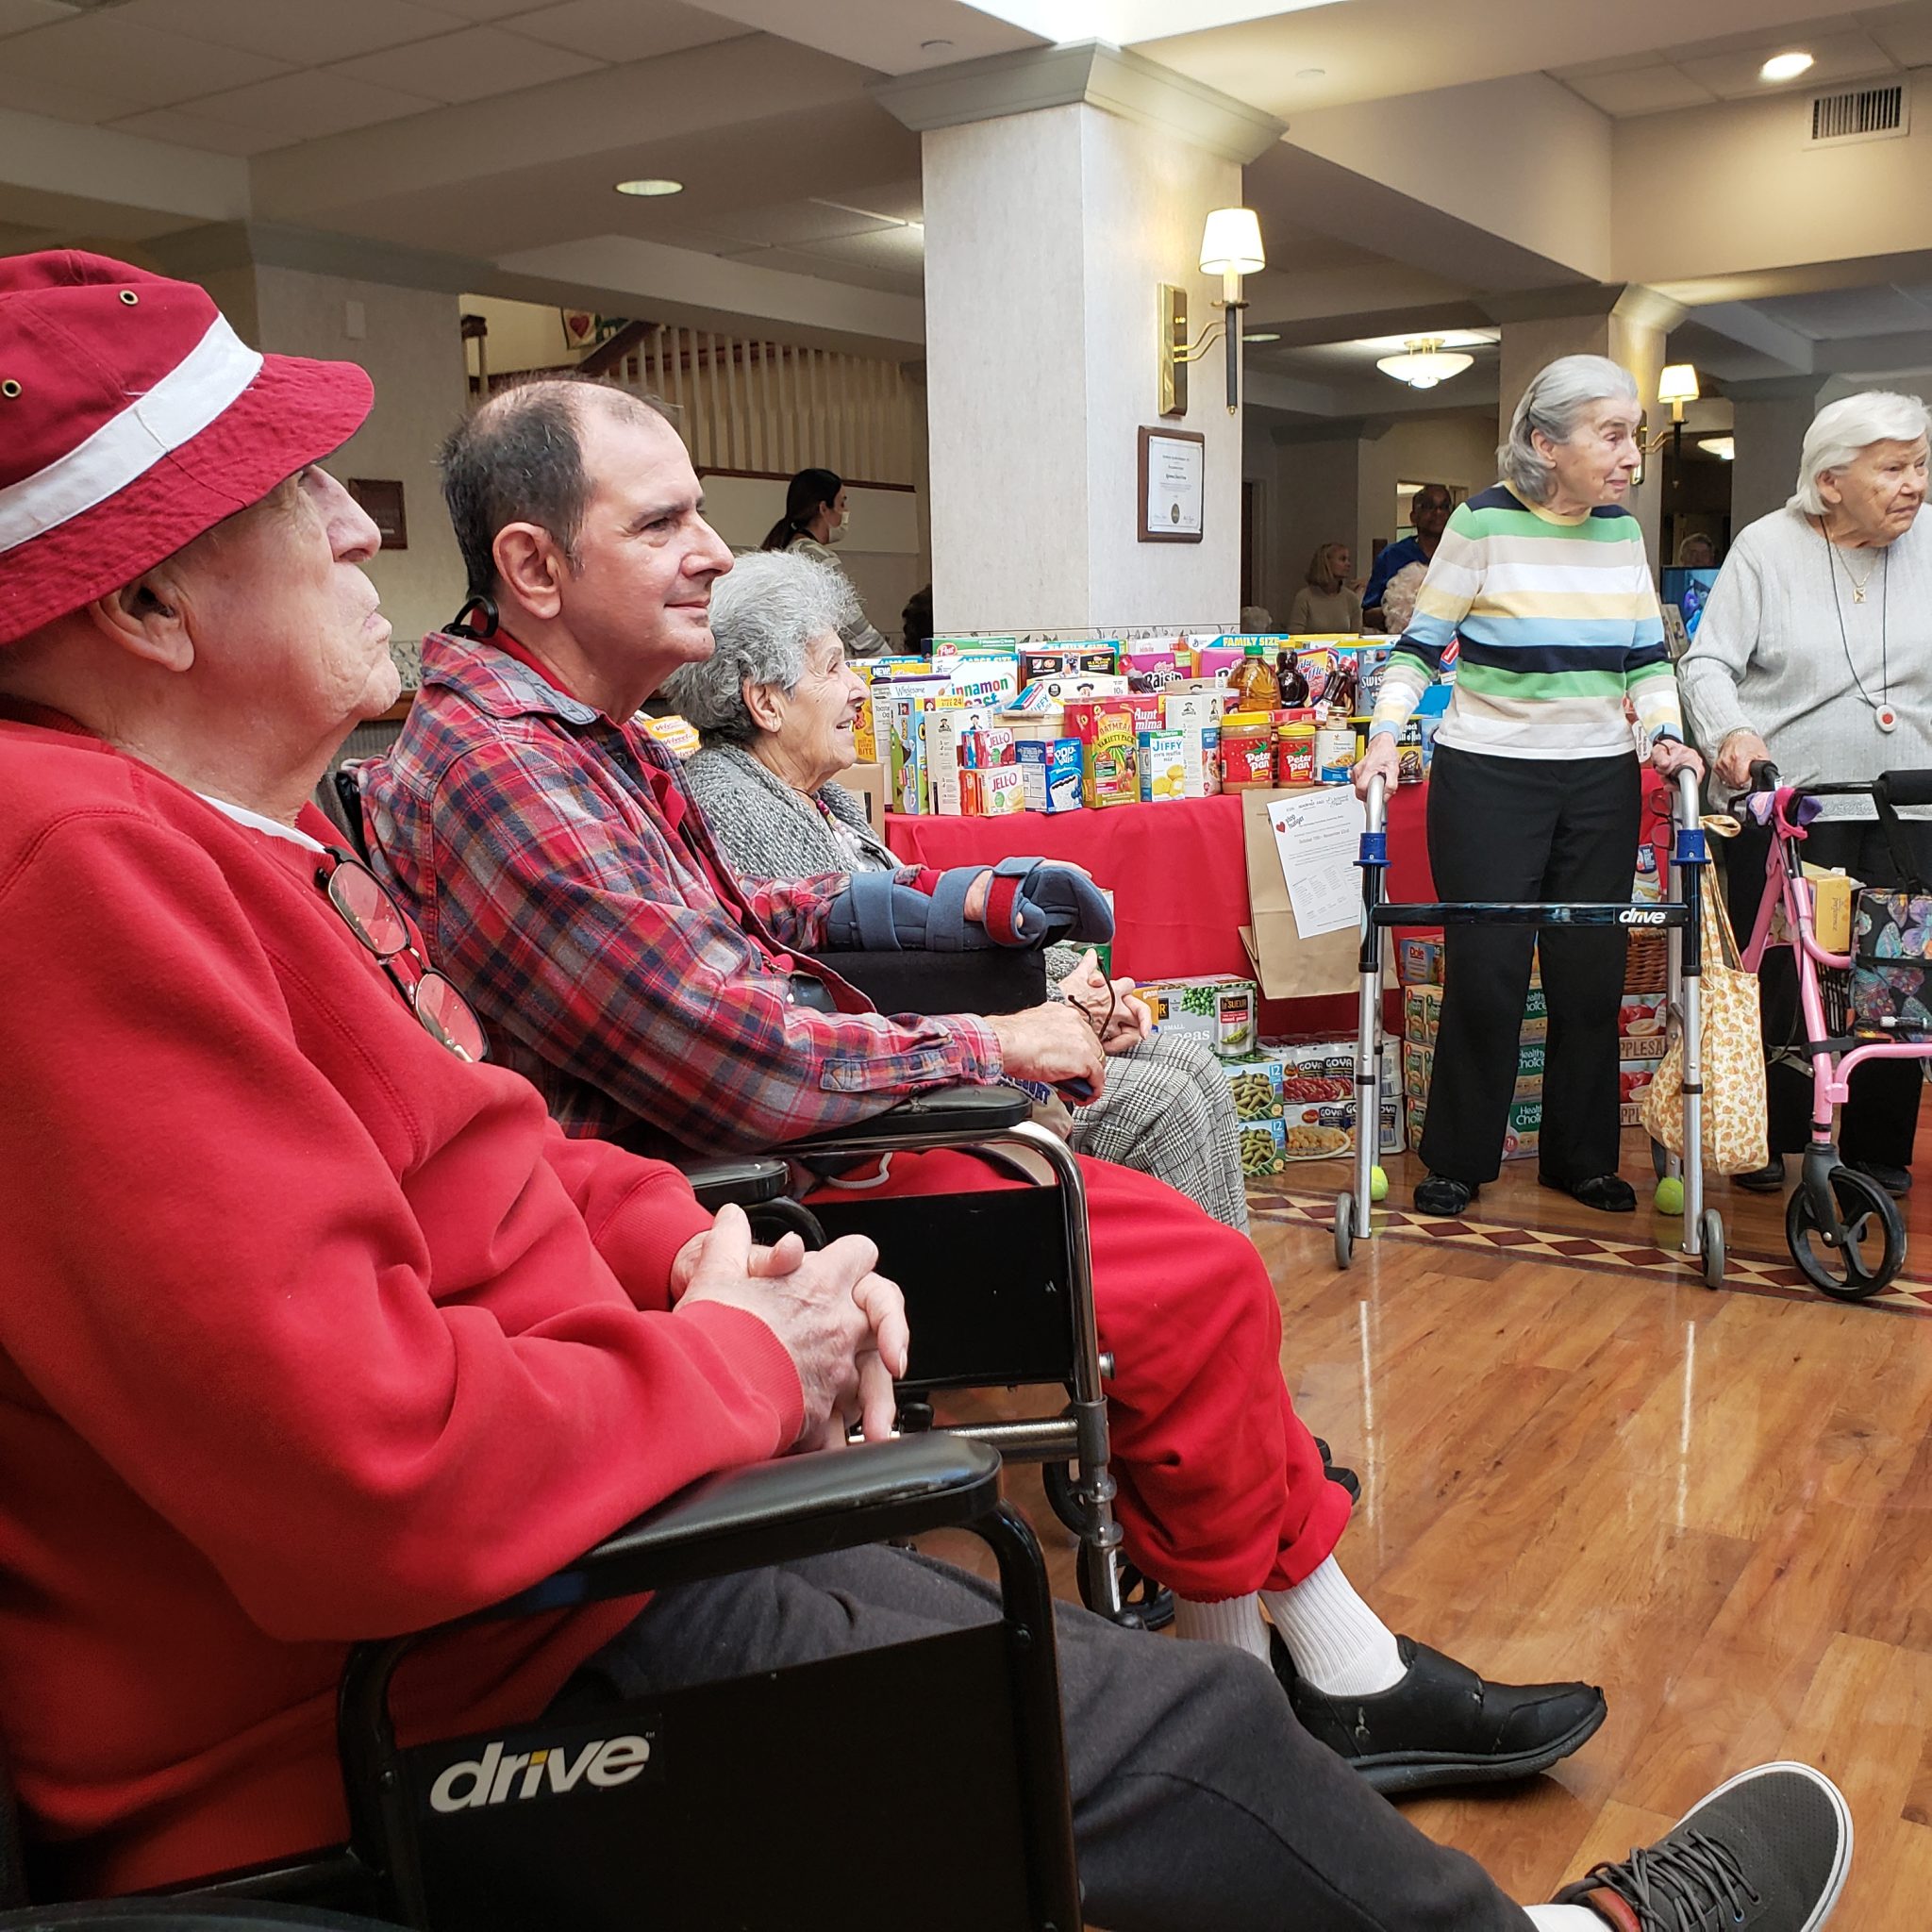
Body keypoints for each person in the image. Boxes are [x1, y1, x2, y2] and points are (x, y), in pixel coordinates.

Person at [0, 250, 1853, 1932]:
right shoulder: (95, 872)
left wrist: (669, 1248)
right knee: (1165, 1716)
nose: (352, 523)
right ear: (151, 599)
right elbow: (374, 1462)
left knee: (1122, 1624)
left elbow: (495, 1135)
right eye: (294, 493)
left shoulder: (235, 832)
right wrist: (749, 1339)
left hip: (581, 1493)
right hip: (454, 1664)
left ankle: (1322, 1671)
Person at [361, 374, 1615, 1797]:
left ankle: (1315, 1677)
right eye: (664, 523)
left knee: (1198, 1265)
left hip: (760, 1156)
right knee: (1196, 1283)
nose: (714, 549)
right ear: (532, 567)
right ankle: (1288, 1701)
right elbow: (737, 1053)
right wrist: (996, 1045)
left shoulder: (577, 742)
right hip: (740, 1209)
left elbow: (728, 935)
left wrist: (954, 915)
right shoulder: (507, 773)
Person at [670, 546, 1251, 1230]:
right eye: (833, 668)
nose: (859, 689)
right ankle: (1176, 1320)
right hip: (899, 1089)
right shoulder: (731, 802)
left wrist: (1086, 991)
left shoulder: (822, 801)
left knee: (1195, 1063)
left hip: (955, 1034)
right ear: (765, 701)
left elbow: (918, 935)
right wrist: (1050, 1003)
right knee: (1168, 1099)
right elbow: (835, 988)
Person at [1353, 356, 1706, 1217]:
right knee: (1489, 970)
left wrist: (1667, 734)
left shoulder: (1622, 534)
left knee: (1591, 974)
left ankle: (1579, 1160)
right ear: (1546, 442)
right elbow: (1417, 646)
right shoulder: (1481, 524)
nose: (1633, 455)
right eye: (1613, 435)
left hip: (1598, 778)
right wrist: (1384, 738)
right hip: (1488, 780)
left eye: (1635, 435)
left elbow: (1645, 657)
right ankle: (1458, 1157)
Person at [1680, 390, 1932, 1197]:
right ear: (1830, 481)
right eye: (1892, 467)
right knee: (1790, 975)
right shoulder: (1768, 548)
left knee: (1897, 976)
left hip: (1909, 805)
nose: (1914, 484)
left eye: (1921, 464)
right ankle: (1767, 1134)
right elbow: (1706, 664)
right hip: (1793, 807)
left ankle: (1880, 1150)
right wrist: (1733, 736)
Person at [758, 464, 889, 657]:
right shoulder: (818, 558)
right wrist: (890, 658)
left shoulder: (785, 550)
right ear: (823, 508)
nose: (846, 511)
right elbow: (855, 625)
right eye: (842, 503)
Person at [1361, 483, 1453, 628]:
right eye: (1429, 506)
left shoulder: (1462, 555)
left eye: (1445, 507)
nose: (1438, 513)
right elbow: (1367, 615)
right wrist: (1398, 612)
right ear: (1413, 516)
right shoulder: (1392, 555)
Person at [1288, 543, 1363, 634]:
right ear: (1326, 563)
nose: (1348, 564)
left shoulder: (1351, 598)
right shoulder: (1304, 597)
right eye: (1342, 559)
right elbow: (1295, 635)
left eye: (1348, 560)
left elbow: (1357, 637)